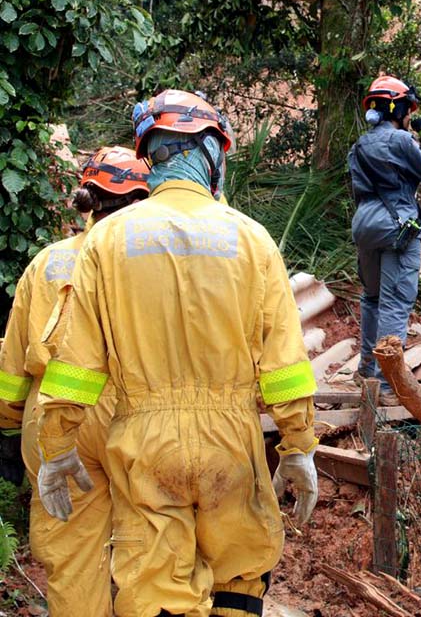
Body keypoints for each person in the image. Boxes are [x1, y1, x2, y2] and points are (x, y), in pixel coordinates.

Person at [34, 89, 320, 617]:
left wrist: (56, 444)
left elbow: (77, 363)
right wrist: (298, 444)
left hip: (144, 445)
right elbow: (284, 361)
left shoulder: (106, 241)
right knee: (239, 574)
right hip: (232, 444)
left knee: (156, 590)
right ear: (212, 151)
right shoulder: (252, 239)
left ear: (150, 154)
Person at [0, 146, 150, 617]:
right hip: (134, 416)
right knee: (149, 544)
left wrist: (9, 426)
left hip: (54, 418)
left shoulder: (46, 263)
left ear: (89, 200)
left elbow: (13, 360)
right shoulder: (151, 265)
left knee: (72, 551)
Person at [348, 76, 421, 393]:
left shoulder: (359, 146)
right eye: (408, 110)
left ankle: (366, 367)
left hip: (366, 226)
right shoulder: (403, 141)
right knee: (395, 304)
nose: (409, 116)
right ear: (397, 107)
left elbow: (357, 190)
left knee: (372, 298)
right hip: (398, 229)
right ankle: (386, 381)